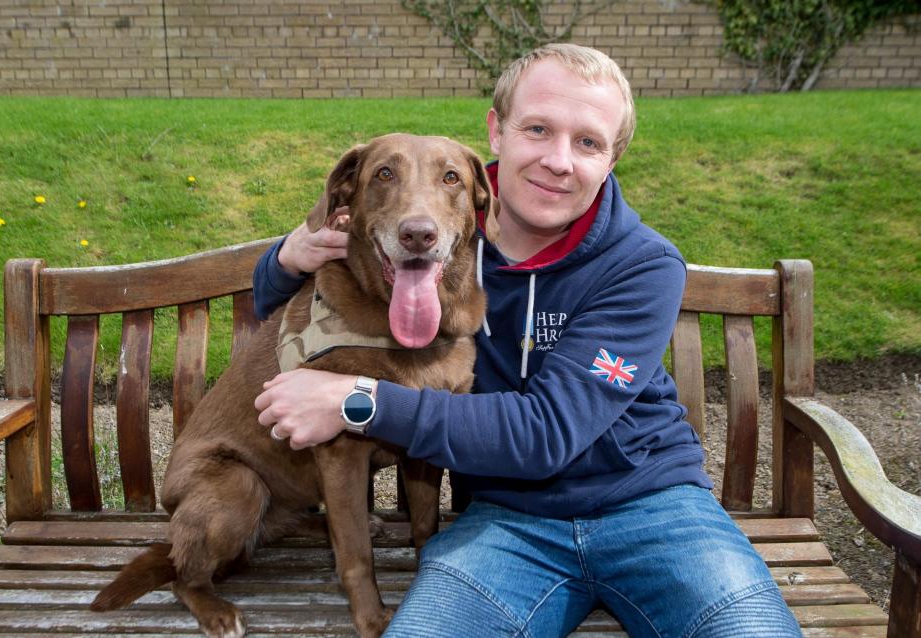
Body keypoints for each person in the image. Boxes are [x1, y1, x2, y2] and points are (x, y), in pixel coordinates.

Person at [251, 44, 802, 638]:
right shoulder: (433, 229)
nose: (559, 160)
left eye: (588, 142)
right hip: (503, 520)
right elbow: (292, 311)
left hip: (657, 507)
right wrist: (283, 260)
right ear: (497, 130)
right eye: (538, 128)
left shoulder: (642, 265)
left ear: (613, 157)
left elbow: (548, 434)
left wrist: (355, 400)